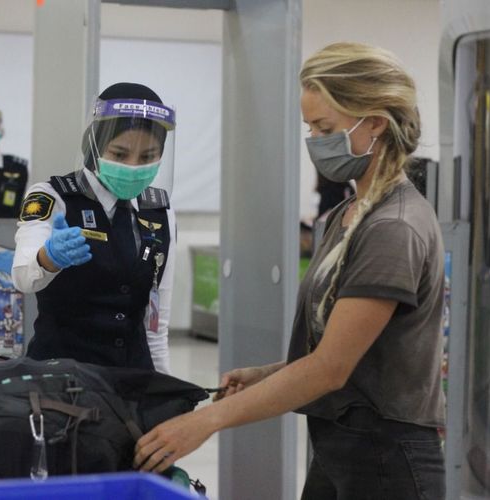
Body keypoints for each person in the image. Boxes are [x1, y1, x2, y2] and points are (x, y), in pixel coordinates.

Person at [134, 43, 446, 499]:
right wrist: (269, 374)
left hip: (387, 456)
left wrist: (206, 422)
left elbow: (330, 369)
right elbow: (350, 348)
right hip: (341, 446)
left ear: (375, 122)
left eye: (326, 127)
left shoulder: (392, 228)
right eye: (311, 128)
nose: (316, 142)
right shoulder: (348, 214)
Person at [12, 82, 177, 374]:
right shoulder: (53, 197)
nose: (133, 166)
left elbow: (156, 323)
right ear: (94, 145)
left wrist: (165, 390)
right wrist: (49, 258)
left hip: (131, 381)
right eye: (120, 154)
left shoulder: (160, 213)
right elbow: (23, 277)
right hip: (62, 381)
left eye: (148, 157)